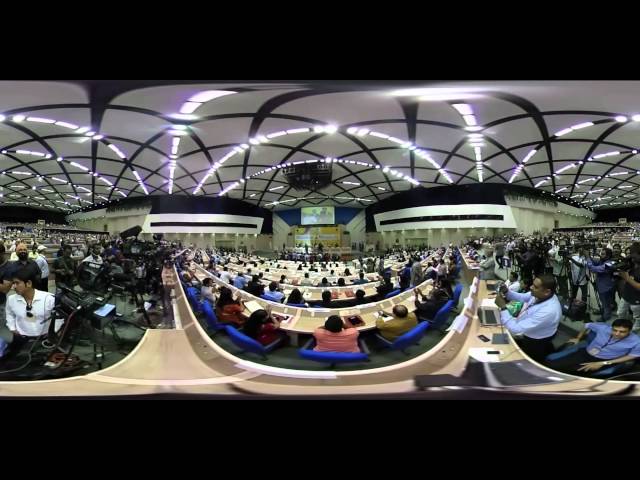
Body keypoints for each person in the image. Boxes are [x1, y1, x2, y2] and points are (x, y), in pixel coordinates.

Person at [494, 274, 562, 363]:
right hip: (528, 332)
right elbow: (522, 297)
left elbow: (515, 329)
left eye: (535, 287)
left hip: (535, 342)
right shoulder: (540, 294)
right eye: (533, 284)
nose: (531, 287)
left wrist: (503, 308)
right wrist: (507, 292)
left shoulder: (549, 311)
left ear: (547, 291)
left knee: (529, 361)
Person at [546, 318, 640, 376]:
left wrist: (603, 363)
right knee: (553, 364)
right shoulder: (603, 328)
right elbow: (586, 325)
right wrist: (578, 338)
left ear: (630, 331)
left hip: (605, 360)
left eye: (622, 331)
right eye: (614, 330)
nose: (617, 333)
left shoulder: (636, 341)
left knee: (577, 374)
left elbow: (631, 356)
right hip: (585, 353)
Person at [5, 267, 62, 353]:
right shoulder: (11, 299)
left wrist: (54, 332)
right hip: (22, 341)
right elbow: (9, 314)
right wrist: (12, 328)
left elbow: (59, 317)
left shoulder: (48, 298)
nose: (13, 287)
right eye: (13, 283)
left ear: (28, 283)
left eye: (17, 283)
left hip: (45, 340)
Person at [587, 248, 616, 322]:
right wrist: (589, 256)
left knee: (606, 302)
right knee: (603, 300)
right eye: (601, 253)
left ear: (608, 256)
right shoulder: (603, 261)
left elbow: (593, 269)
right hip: (601, 285)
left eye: (603, 254)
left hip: (606, 286)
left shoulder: (610, 263)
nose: (601, 255)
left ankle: (606, 316)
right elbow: (594, 261)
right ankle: (603, 310)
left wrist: (588, 258)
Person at [616, 242, 640, 330]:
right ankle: (620, 326)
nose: (631, 256)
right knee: (620, 313)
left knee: (637, 317)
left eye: (633, 254)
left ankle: (637, 327)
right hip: (626, 293)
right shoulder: (631, 262)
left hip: (637, 297)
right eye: (630, 253)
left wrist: (627, 278)